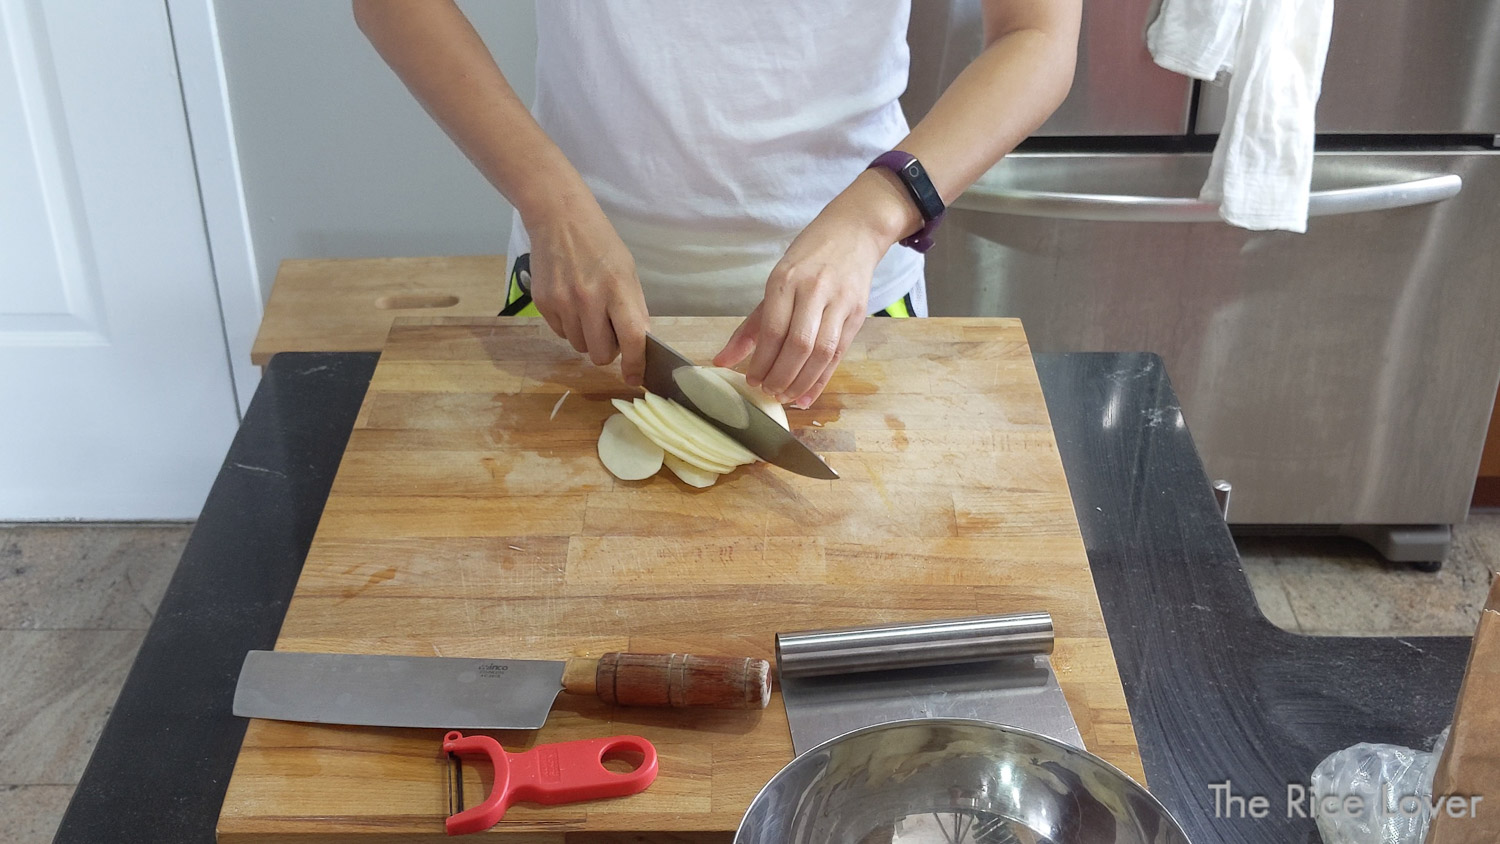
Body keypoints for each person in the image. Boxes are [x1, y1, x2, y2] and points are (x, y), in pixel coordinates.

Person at [354, 0, 1079, 407]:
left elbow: (1037, 35)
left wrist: (874, 214)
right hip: (572, 299)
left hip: (854, 310)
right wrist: (551, 203)